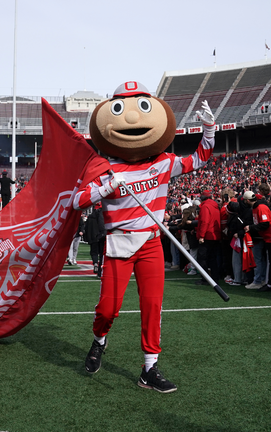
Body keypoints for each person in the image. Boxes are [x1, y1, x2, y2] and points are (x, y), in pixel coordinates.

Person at [74, 88, 217, 393]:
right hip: (118, 244)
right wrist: (108, 186)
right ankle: (99, 340)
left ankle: (149, 368)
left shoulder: (163, 163)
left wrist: (208, 130)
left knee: (152, 305)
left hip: (151, 242)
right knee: (108, 309)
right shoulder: (103, 167)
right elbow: (77, 201)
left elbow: (199, 160)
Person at [195, 190, 221, 285]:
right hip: (214, 235)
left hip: (207, 235)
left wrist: (201, 236)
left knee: (202, 258)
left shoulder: (205, 206)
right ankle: (214, 278)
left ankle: (205, 279)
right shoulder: (215, 206)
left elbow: (204, 222)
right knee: (212, 258)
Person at [83, 203, 106, 277]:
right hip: (100, 237)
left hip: (93, 238)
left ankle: (95, 263)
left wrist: (87, 238)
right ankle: (100, 271)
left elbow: (87, 228)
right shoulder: (101, 215)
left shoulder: (90, 217)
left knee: (94, 252)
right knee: (102, 255)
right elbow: (102, 226)